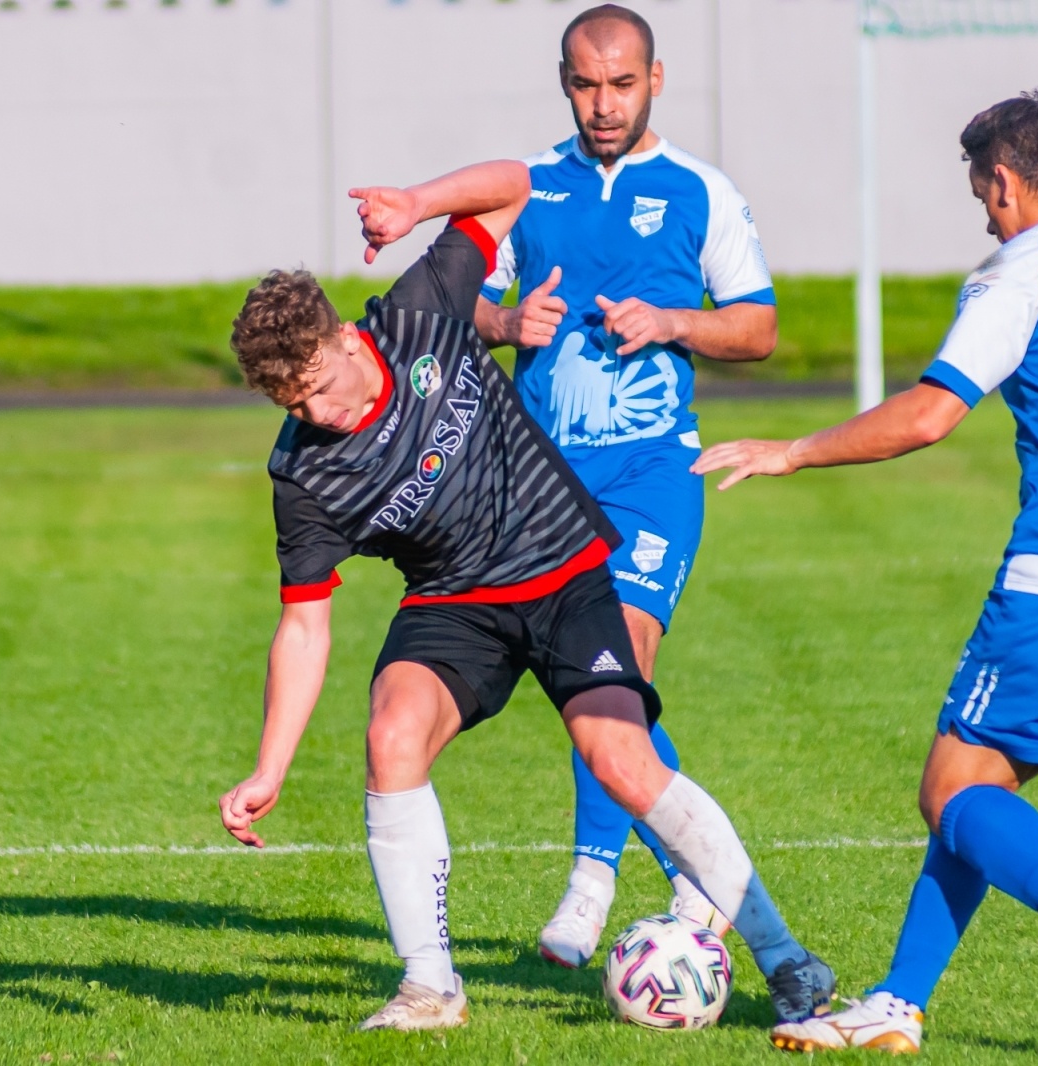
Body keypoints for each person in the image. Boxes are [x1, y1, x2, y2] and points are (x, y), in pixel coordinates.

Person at [693, 92, 1038, 1054]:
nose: (985, 217)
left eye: (983, 198)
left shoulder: (1021, 271)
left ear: (1004, 180)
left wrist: (793, 450)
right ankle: (898, 1005)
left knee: (952, 796)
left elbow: (928, 414)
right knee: (976, 793)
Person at [216, 158, 834, 1032]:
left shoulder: (417, 312)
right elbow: (304, 626)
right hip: (453, 600)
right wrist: (269, 767)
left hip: (559, 564)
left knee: (623, 759)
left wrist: (419, 205)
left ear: (348, 341)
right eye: (290, 401)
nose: (312, 412)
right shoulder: (304, 472)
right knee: (392, 732)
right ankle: (431, 988)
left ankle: (786, 960)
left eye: (316, 387)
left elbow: (513, 186)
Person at [474, 3, 779, 970]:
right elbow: (459, 303)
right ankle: (700, 876)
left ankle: (591, 881)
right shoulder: (526, 189)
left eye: (621, 83)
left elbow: (760, 329)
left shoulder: (700, 192)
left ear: (657, 78)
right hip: (546, 480)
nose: (602, 104)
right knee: (596, 691)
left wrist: (677, 323)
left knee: (623, 664)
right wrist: (505, 320)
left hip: (653, 470)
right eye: (584, 83)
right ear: (562, 82)